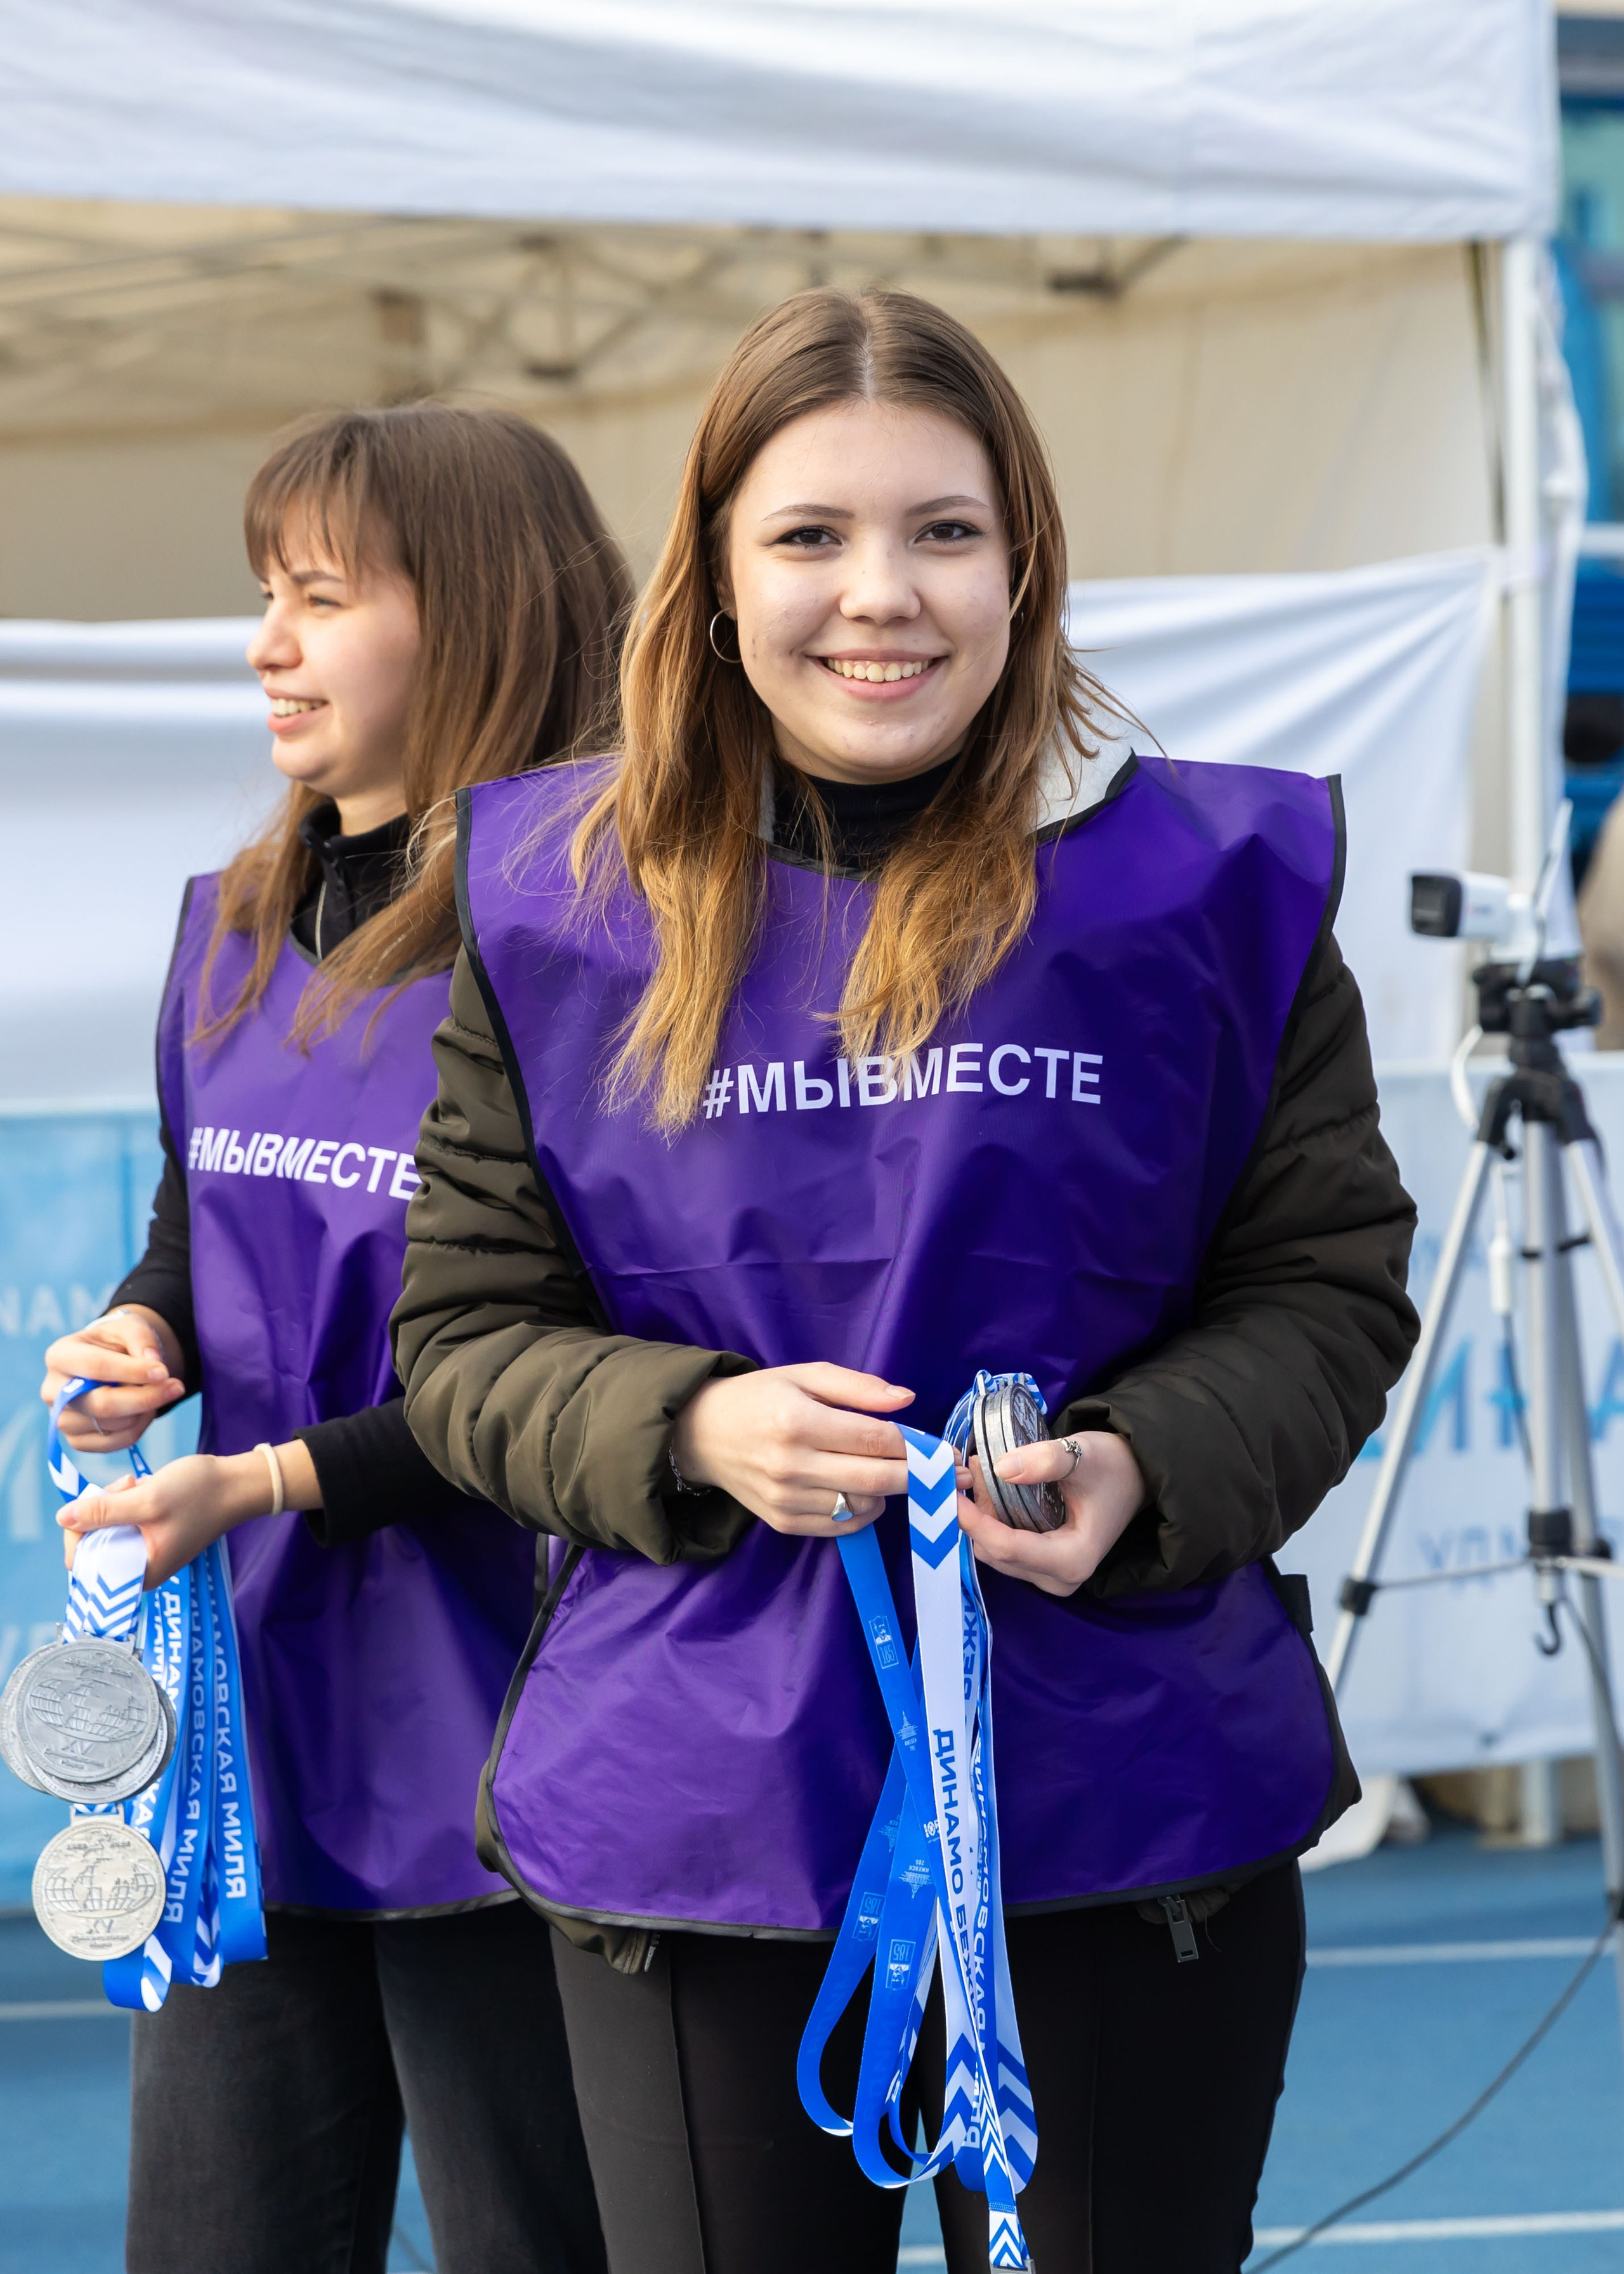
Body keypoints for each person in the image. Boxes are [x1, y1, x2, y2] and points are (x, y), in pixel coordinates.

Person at [391, 291, 1420, 2274]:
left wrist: (1145, 1461)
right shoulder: (556, 905)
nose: (884, 595)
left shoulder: (1213, 889)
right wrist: (692, 1425)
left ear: (1023, 564)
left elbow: (1327, 1286)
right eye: (812, 536)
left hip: (1122, 1798)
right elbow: (461, 1337)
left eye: (945, 531)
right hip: (695, 1814)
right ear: (713, 579)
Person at [42, 404, 628, 2274]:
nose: (266, 646)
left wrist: (277, 1477)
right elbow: (198, 1222)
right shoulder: (229, 927)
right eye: (264, 595)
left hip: (517, 1747)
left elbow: (568, 1369)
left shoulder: (596, 949)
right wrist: (143, 1329)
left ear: (478, 615)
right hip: (253, 1745)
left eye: (320, 597)